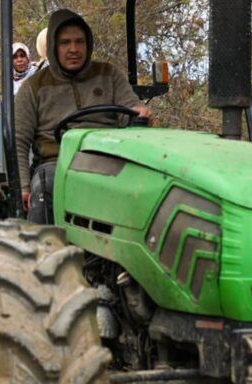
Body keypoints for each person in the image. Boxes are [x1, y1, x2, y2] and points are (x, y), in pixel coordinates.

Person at [15, 9, 152, 224]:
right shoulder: (34, 87)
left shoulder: (108, 74)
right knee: (45, 187)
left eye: (79, 41)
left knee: (149, 189)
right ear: (53, 46)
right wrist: (22, 186)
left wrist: (139, 111)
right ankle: (42, 254)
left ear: (88, 44)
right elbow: (18, 140)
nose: (73, 49)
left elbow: (130, 107)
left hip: (108, 158)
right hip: (57, 162)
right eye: (65, 43)